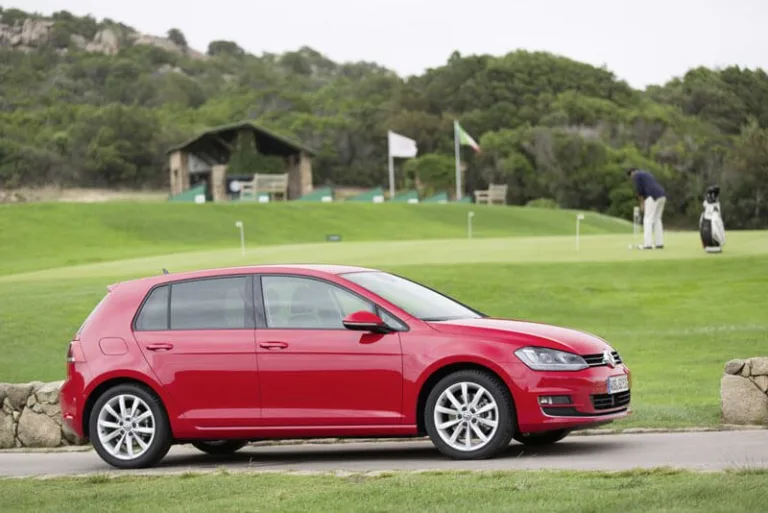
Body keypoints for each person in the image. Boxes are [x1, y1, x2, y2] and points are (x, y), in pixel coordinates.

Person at [627, 167, 666, 249]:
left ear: (632, 173)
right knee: (657, 219)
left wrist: (642, 203)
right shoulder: (647, 173)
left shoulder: (636, 175)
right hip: (662, 195)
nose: (632, 179)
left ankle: (647, 244)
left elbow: (639, 190)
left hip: (652, 196)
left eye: (630, 177)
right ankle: (659, 243)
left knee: (647, 219)